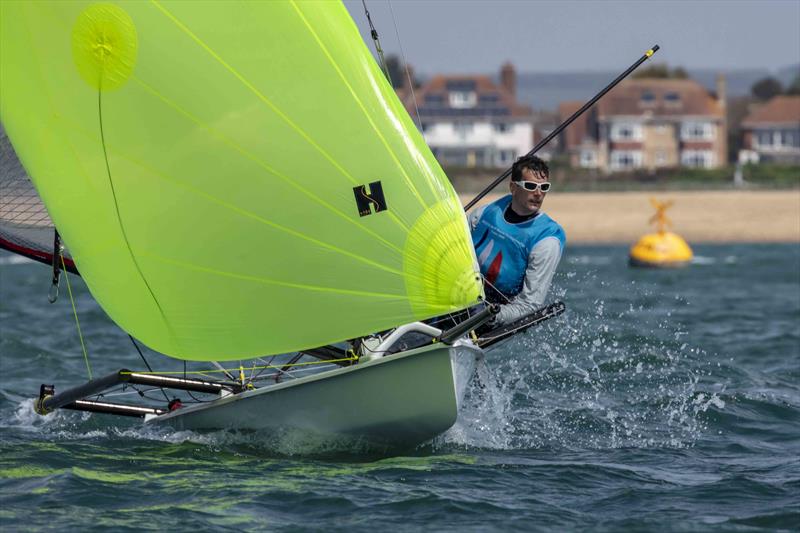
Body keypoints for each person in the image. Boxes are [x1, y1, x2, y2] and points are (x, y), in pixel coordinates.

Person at [469, 155, 566, 326]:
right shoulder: (484, 213)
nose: (538, 194)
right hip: (457, 292)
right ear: (513, 187)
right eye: (530, 186)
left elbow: (530, 304)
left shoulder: (547, 240)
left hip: (492, 314)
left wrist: (491, 316)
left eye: (544, 187)